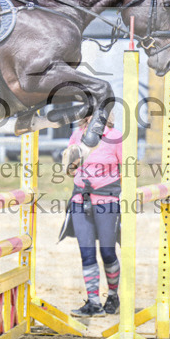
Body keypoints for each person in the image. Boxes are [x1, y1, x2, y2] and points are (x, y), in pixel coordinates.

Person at [59, 115, 123, 317]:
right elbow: (69, 171)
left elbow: (127, 170)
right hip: (80, 199)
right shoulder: (77, 135)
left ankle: (112, 295)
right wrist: (71, 163)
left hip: (107, 201)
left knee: (107, 253)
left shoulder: (115, 137)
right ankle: (93, 302)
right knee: (86, 253)